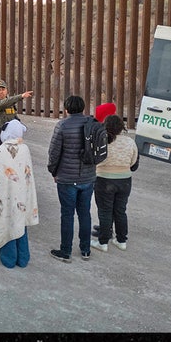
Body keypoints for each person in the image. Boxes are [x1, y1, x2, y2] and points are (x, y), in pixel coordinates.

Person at [47, 95, 96, 263]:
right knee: (85, 213)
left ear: (66, 109)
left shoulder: (62, 125)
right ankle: (86, 250)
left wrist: (53, 172)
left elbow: (54, 153)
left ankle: (66, 251)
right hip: (88, 177)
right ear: (83, 108)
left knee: (67, 215)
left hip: (67, 178)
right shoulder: (92, 124)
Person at [0, 120, 39, 268]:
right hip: (22, 193)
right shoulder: (25, 149)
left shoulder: (2, 150)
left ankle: (9, 258)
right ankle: (23, 258)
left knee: (6, 220)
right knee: (20, 222)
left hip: (5, 194)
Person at [90, 114, 140, 253]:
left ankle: (103, 242)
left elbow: (94, 159)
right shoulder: (130, 142)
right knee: (120, 211)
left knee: (105, 211)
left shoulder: (101, 140)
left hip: (104, 179)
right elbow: (134, 164)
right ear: (121, 127)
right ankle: (121, 240)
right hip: (125, 180)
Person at [90, 102, 117, 237]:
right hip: (119, 176)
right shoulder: (116, 135)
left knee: (103, 205)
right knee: (111, 206)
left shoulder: (100, 134)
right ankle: (106, 226)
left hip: (103, 174)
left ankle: (105, 231)